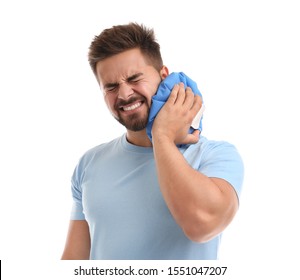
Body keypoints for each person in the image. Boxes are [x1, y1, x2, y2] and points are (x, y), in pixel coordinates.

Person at [61, 22, 244, 260]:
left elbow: (203, 226)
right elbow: (74, 262)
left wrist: (162, 136)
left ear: (164, 76)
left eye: (135, 78)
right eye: (111, 87)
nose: (125, 94)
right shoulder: (89, 163)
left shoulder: (216, 155)